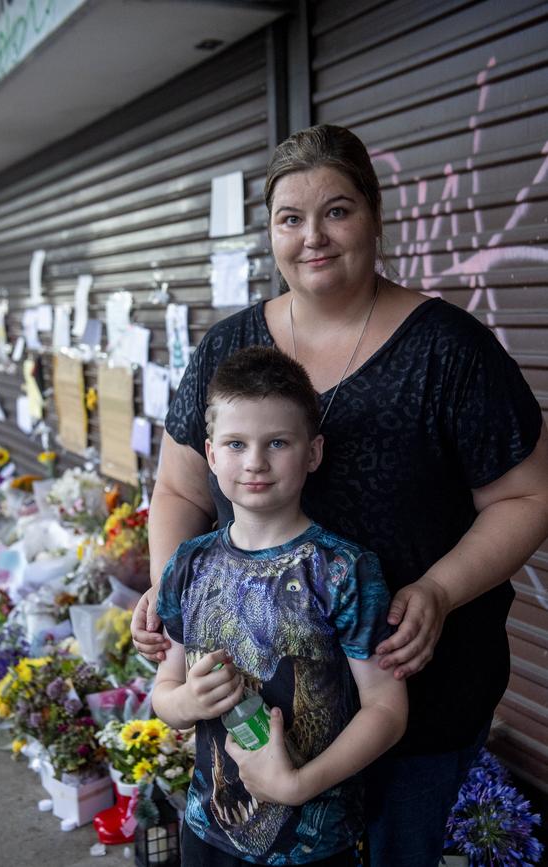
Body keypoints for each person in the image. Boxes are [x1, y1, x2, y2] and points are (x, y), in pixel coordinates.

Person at [134, 124, 548, 866]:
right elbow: (177, 488)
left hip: (411, 698)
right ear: (270, 233)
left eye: (337, 210)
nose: (312, 236)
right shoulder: (225, 349)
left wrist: (439, 590)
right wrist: (176, 597)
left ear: (375, 216)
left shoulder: (449, 349)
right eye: (289, 218)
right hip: (256, 705)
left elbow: (527, 498)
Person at [152, 346, 408, 866]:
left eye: (277, 442)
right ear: (211, 454)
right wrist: (188, 704)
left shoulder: (345, 571)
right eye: (235, 443)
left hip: (315, 840)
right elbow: (164, 691)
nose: (255, 462)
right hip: (209, 830)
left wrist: (297, 785)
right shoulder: (189, 564)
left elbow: (386, 708)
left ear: (312, 453)